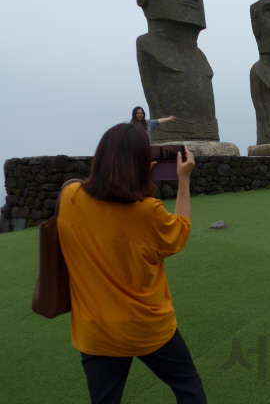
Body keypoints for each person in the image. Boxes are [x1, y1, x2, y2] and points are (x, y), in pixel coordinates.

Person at [57, 123, 207, 403]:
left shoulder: (70, 196)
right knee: (187, 386)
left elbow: (102, 198)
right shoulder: (147, 212)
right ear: (140, 162)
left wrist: (132, 179)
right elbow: (180, 230)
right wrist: (184, 180)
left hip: (95, 329)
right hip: (145, 326)